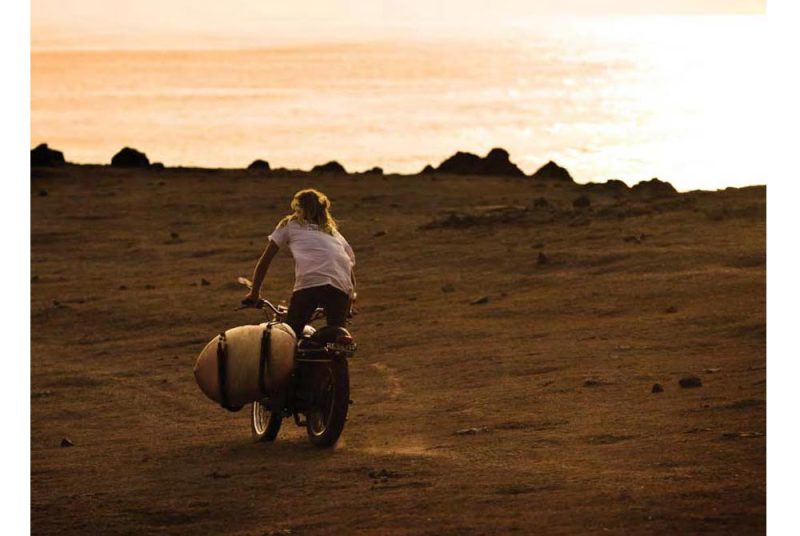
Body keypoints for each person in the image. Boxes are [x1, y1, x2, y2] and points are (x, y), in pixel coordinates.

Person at [243, 189, 356, 339]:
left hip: (309, 285)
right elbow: (347, 265)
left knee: (290, 336)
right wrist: (349, 304)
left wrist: (254, 293)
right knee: (337, 335)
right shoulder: (332, 232)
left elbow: (265, 260)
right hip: (340, 288)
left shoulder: (289, 224)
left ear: (299, 207)